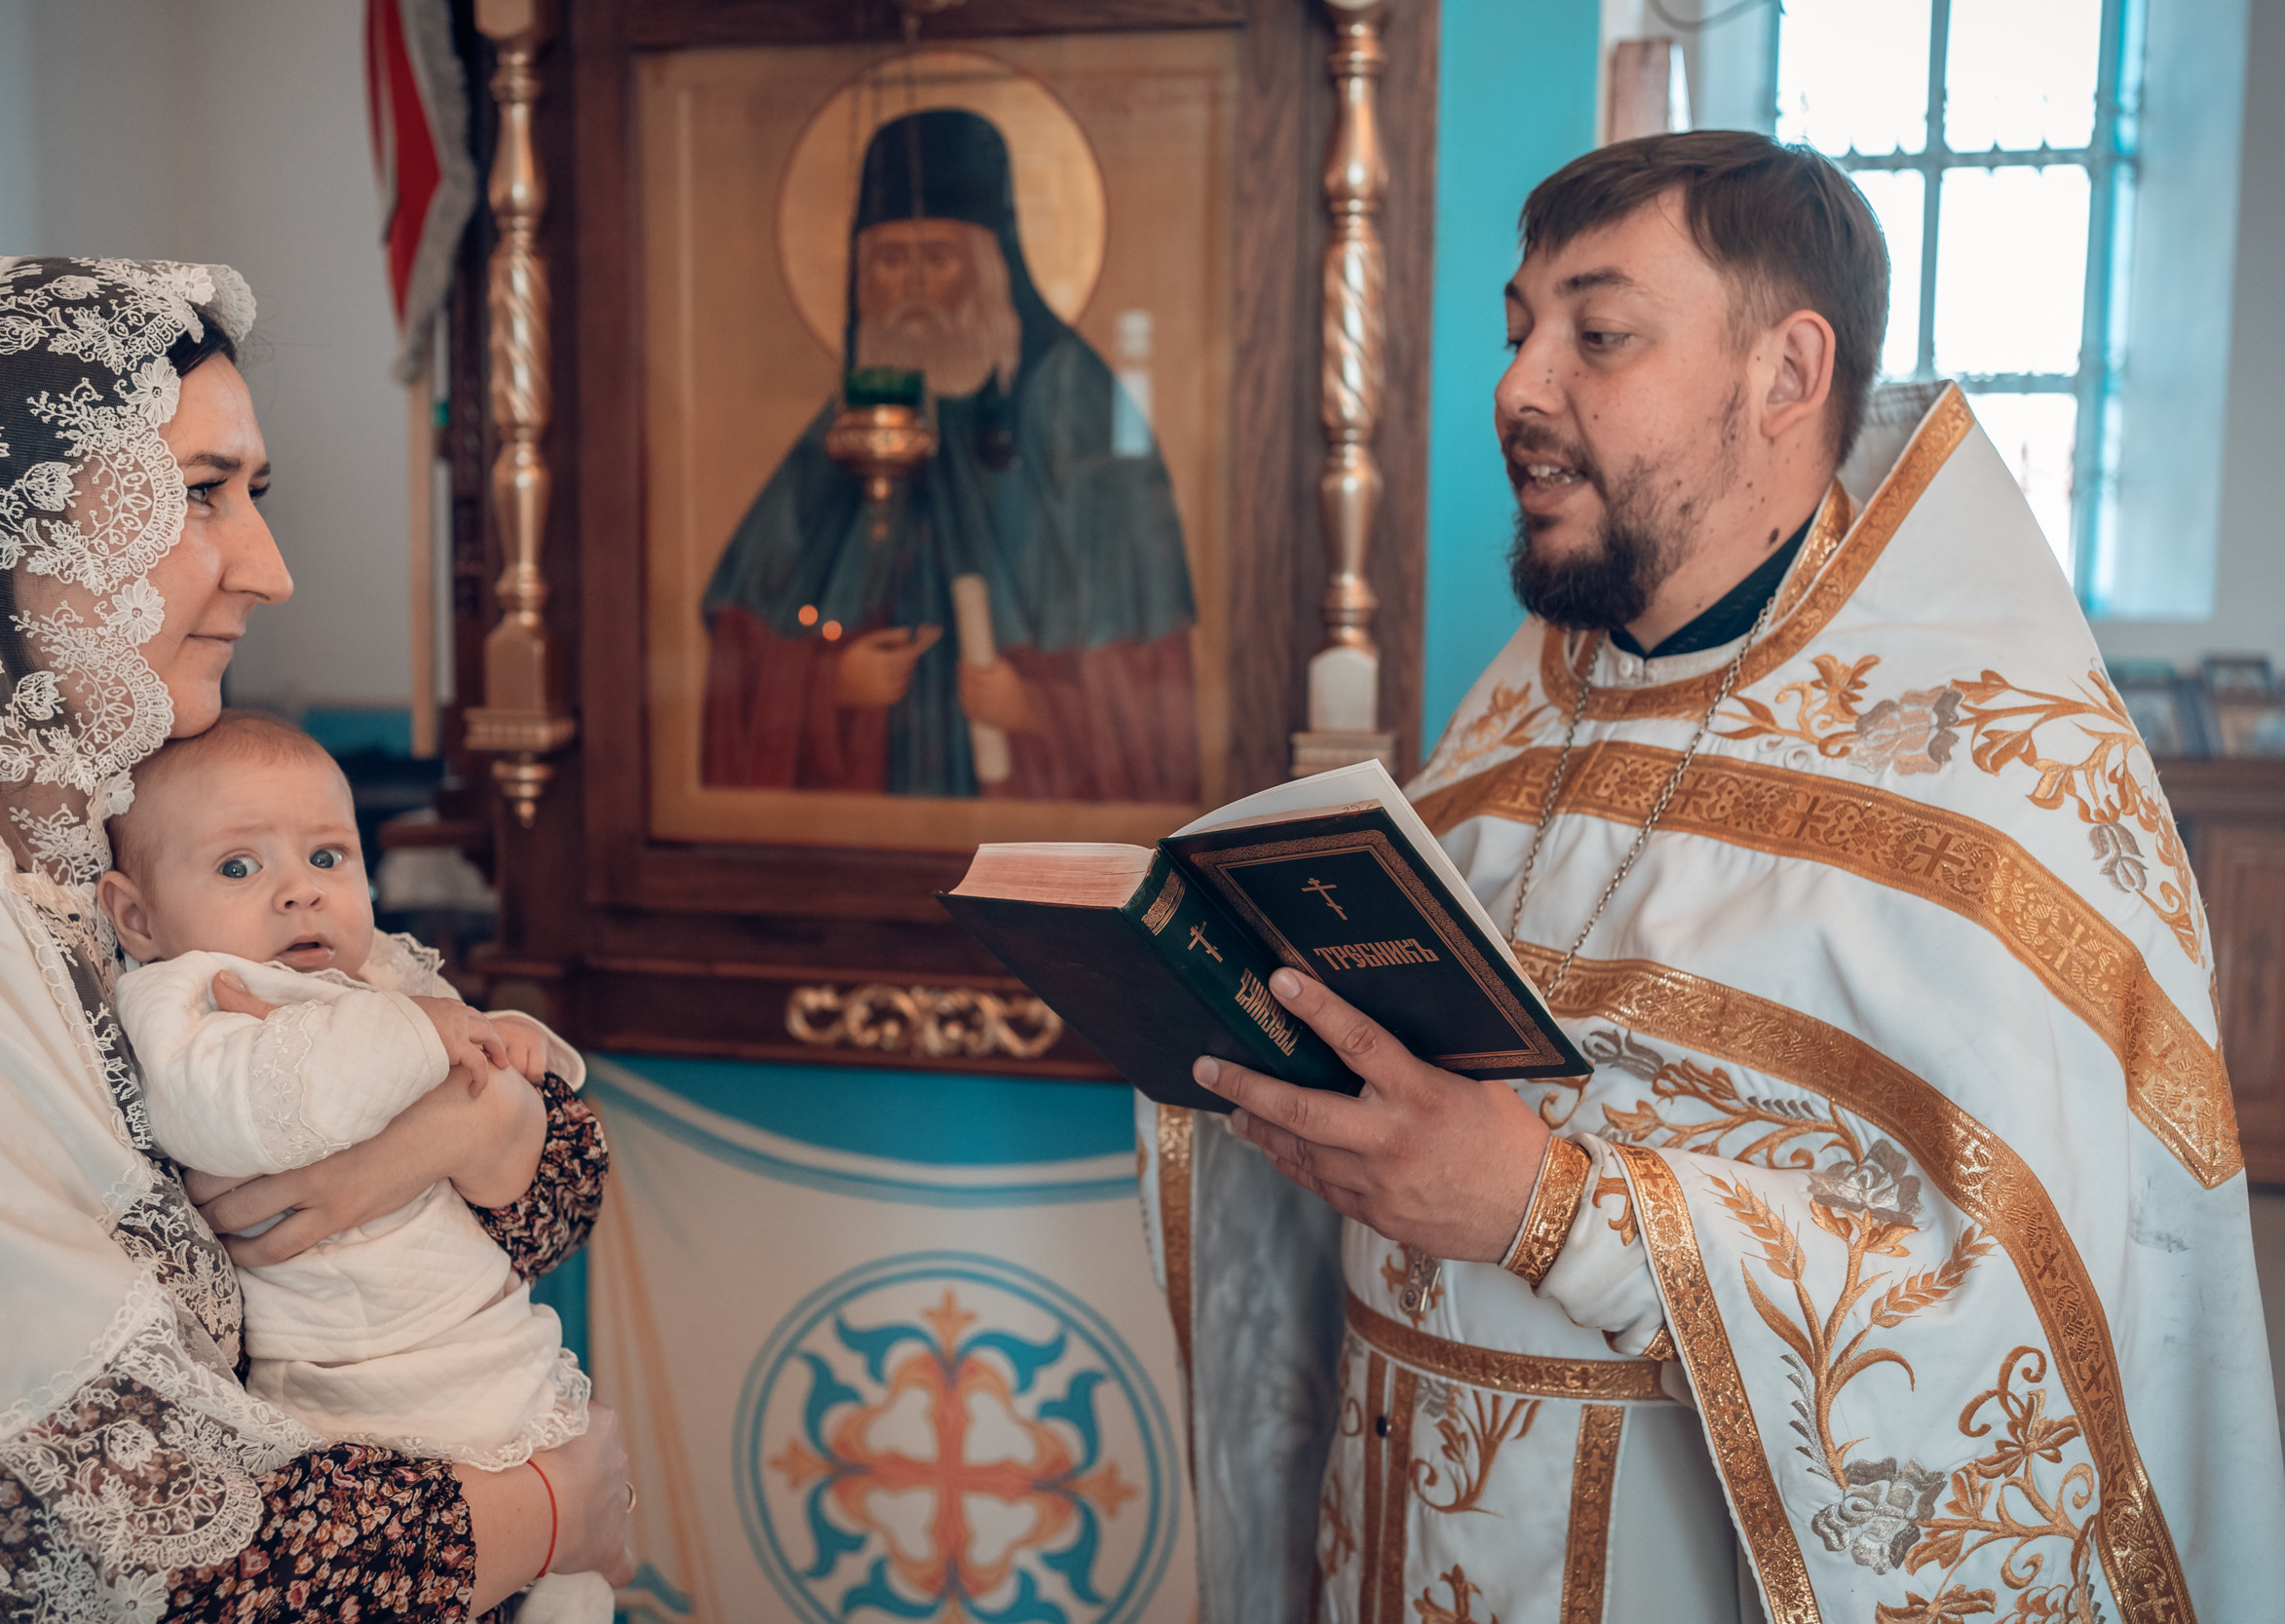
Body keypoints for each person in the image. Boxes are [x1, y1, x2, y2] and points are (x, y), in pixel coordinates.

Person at [1140, 134, 2285, 1622]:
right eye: (1518, 329)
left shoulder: (2002, 776)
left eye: (1597, 334)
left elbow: (2009, 1323)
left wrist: (1547, 1204)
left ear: (1787, 375)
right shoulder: (1530, 700)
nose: (1520, 388)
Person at [0, 257, 630, 1621]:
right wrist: (554, 1504)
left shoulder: (130, 849)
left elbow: (557, 1169)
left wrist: (454, 1135)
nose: (268, 567)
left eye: (250, 494)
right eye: (200, 492)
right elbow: (123, 1538)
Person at [97, 711, 613, 1624]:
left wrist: (510, 1057)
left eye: (328, 857)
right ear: (136, 917)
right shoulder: (187, 996)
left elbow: (538, 1132)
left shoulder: (377, 975)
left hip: (490, 1341)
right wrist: (430, 1046)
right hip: (374, 1389)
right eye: (239, 867)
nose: (299, 892)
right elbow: (244, 1107)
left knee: (578, 1580)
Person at [701, 106, 1200, 803]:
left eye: (934, 258)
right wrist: (829, 683)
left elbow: (1148, 672)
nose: (907, 289)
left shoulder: (1069, 400)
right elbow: (743, 627)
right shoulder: (847, 423)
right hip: (872, 808)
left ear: (989, 269)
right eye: (887, 261)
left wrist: (1035, 707)